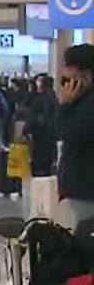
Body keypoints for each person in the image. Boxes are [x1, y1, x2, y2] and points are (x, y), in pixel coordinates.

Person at [58, 44, 94, 226]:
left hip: (86, 188)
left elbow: (69, 134)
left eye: (69, 68)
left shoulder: (87, 106)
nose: (65, 75)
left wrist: (65, 106)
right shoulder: (81, 102)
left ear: (85, 74)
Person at [25, 74, 60, 178]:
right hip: (50, 133)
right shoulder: (53, 97)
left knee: (40, 160)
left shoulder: (42, 98)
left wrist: (28, 128)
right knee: (48, 160)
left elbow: (38, 116)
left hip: (41, 133)